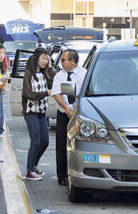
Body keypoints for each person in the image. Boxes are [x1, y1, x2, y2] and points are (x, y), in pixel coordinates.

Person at [51, 49, 87, 186]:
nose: (61, 63)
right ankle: (62, 175)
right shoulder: (59, 76)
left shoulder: (84, 74)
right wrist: (66, 107)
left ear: (72, 61)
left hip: (79, 113)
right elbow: (56, 93)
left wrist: (76, 109)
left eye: (63, 60)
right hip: (63, 113)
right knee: (61, 144)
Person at [22, 48, 55, 180]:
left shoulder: (45, 73)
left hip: (42, 112)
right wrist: (45, 93)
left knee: (45, 141)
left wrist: (51, 67)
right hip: (31, 112)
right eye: (43, 58)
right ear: (36, 58)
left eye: (47, 59)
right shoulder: (28, 74)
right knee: (35, 141)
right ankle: (29, 171)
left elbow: (54, 81)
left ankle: (34, 165)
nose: (45, 61)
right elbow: (28, 94)